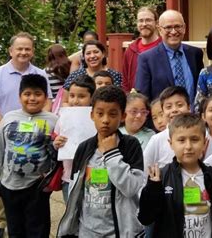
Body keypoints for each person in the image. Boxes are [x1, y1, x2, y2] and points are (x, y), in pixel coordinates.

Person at [0, 31, 52, 238]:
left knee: (34, 212)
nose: (23, 52)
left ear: (32, 51)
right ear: (10, 51)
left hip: (37, 143)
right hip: (8, 139)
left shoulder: (41, 74)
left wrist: (37, 133)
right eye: (19, 48)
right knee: (5, 183)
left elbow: (48, 103)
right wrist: (11, 130)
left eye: (27, 49)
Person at [57, 85, 145, 237]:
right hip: (87, 232)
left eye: (112, 114)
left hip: (119, 232)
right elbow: (75, 191)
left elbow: (131, 188)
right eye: (100, 113)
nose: (105, 120)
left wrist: (111, 153)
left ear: (122, 117)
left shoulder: (130, 146)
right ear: (92, 115)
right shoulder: (84, 148)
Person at [138, 113, 212, 237]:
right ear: (171, 143)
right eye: (181, 140)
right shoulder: (162, 177)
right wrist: (153, 188)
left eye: (194, 139)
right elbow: (146, 218)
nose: (188, 146)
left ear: (205, 143)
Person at [0, 74, 58, 238]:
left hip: (37, 188)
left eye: (38, 94)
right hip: (9, 186)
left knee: (38, 229)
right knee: (15, 228)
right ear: (20, 96)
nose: (32, 98)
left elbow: (57, 154)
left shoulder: (54, 121)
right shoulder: (8, 118)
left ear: (45, 96)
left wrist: (50, 178)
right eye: (27, 94)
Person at [135, 9, 204, 102]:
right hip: (164, 115)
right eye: (168, 27)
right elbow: (143, 97)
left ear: (184, 28)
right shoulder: (147, 59)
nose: (174, 31)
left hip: (192, 115)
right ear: (159, 29)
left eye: (177, 26)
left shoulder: (195, 54)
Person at [52, 75, 96, 202]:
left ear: (92, 97)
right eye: (72, 96)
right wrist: (57, 143)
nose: (75, 101)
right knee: (71, 214)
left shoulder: (97, 118)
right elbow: (56, 140)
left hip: (94, 175)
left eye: (81, 96)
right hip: (69, 177)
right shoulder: (63, 117)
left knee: (95, 212)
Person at [143, 86, 191, 169]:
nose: (174, 110)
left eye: (179, 105)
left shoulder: (202, 134)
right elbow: (145, 171)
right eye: (169, 107)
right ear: (163, 111)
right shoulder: (156, 140)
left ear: (189, 107)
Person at [63, 40, 122, 105]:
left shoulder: (114, 75)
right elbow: (65, 102)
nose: (92, 56)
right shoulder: (75, 75)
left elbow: (119, 100)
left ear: (103, 54)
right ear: (83, 57)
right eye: (88, 53)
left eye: (96, 52)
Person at [122, 6, 162, 93]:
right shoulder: (131, 50)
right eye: (141, 21)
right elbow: (125, 80)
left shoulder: (164, 47)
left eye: (148, 20)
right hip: (136, 101)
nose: (144, 24)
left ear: (157, 23)